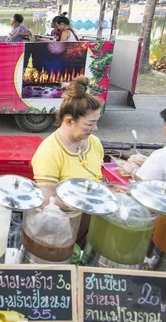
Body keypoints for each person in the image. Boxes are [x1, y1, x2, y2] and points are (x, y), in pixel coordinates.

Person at [31, 76, 103, 246]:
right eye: (90, 124)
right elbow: (47, 200)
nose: (95, 129)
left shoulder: (95, 143)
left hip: (91, 220)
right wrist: (89, 205)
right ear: (69, 121)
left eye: (96, 123)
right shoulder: (49, 151)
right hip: (61, 225)